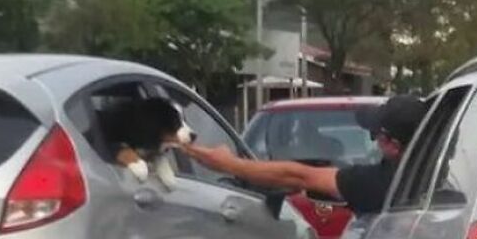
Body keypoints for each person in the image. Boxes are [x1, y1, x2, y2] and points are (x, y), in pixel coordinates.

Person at [180, 95, 427, 216]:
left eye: (375, 137)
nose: (375, 144)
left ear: (393, 145)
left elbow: (298, 176)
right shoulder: (434, 175)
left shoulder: (381, 183)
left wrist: (228, 164)